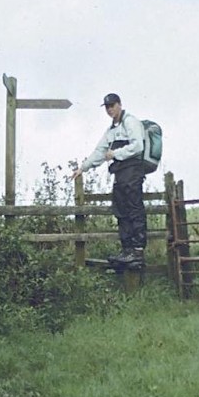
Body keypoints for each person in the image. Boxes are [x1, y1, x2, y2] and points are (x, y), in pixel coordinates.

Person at [71, 93, 147, 268]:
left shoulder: (130, 122)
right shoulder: (111, 131)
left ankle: (138, 251)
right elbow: (100, 151)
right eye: (107, 107)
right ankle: (127, 250)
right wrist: (82, 168)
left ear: (120, 104)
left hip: (133, 170)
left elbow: (138, 146)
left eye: (112, 106)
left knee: (134, 208)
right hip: (120, 173)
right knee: (121, 209)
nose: (109, 109)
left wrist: (115, 154)